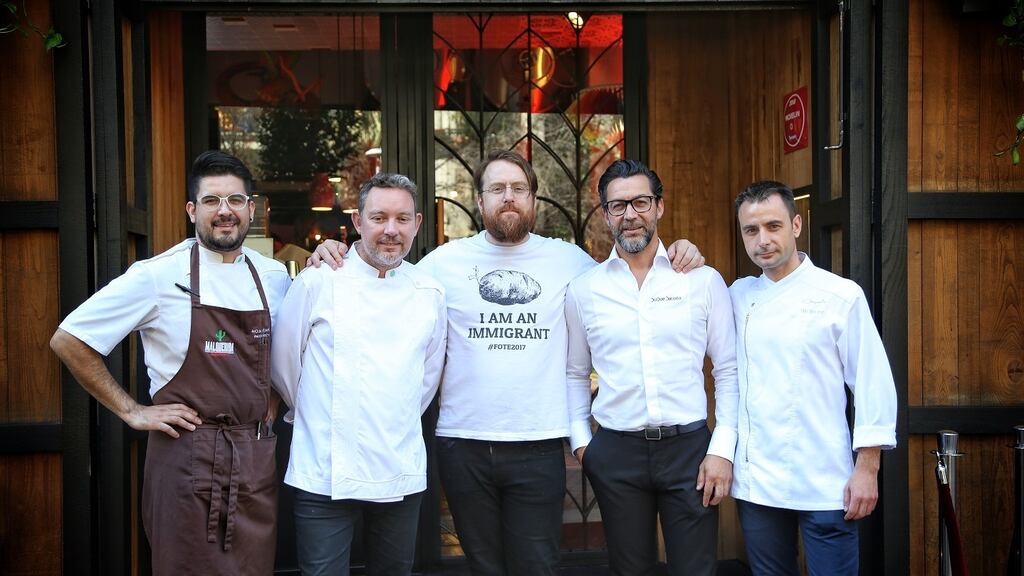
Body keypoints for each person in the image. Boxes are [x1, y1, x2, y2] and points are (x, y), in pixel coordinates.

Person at [311, 149, 704, 576]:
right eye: (497, 189)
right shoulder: (442, 264)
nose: (509, 197)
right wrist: (336, 252)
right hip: (463, 444)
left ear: (534, 198)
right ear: (480, 202)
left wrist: (681, 250)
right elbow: (383, 279)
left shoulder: (570, 262)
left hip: (538, 444)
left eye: (519, 189)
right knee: (484, 567)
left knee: (537, 566)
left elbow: (626, 281)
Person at [49, 150, 291, 575]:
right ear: (192, 210)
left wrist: (272, 394)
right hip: (186, 460)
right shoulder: (157, 276)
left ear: (251, 209)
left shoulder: (274, 276)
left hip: (254, 460)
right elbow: (70, 339)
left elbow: (286, 351)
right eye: (212, 201)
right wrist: (132, 411)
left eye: (235, 201)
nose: (225, 212)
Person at [564, 160, 737, 576]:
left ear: (659, 206)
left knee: (695, 569)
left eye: (640, 202)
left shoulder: (701, 280)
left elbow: (728, 370)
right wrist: (584, 446)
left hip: (690, 452)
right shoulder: (585, 290)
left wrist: (722, 450)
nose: (630, 214)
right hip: (616, 452)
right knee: (629, 570)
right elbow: (573, 373)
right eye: (618, 205)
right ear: (605, 214)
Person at [271, 173, 447, 576]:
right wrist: (325, 413)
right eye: (379, 217)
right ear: (356, 221)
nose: (391, 230)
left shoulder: (430, 293)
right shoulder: (318, 281)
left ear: (417, 224)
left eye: (402, 219)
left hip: (398, 470)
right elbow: (284, 367)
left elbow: (425, 381)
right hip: (324, 469)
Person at [730, 180, 898, 575]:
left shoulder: (840, 296)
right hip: (758, 483)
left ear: (797, 226)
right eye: (751, 230)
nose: (763, 240)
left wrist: (867, 468)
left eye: (773, 226)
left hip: (826, 480)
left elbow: (873, 382)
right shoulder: (737, 296)